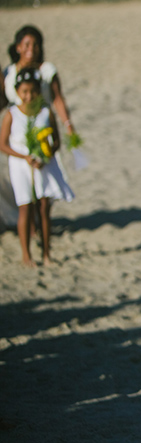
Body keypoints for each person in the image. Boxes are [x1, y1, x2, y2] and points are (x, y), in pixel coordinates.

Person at [0, 67, 74, 266]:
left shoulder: (45, 112)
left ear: (39, 91)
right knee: (25, 207)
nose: (29, 96)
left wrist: (46, 154)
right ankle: (26, 255)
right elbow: (3, 144)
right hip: (20, 165)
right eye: (24, 92)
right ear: (17, 92)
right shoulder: (12, 114)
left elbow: (56, 141)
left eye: (33, 91)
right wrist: (24, 156)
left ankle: (46, 254)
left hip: (43, 164)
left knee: (44, 207)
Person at [4, 25, 77, 136]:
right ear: (18, 47)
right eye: (27, 45)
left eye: (35, 45)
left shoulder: (47, 70)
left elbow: (57, 98)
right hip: (18, 131)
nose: (31, 49)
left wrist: (68, 125)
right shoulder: (8, 73)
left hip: (43, 125)